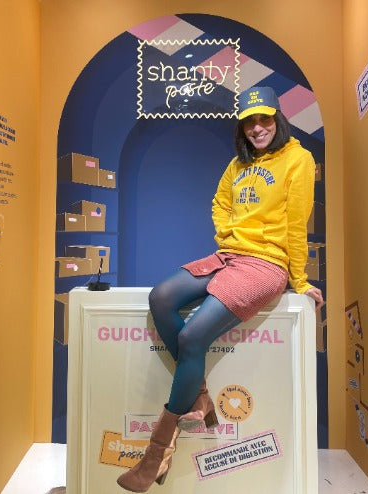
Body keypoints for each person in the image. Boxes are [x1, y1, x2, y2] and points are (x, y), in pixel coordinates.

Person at [117, 86, 324, 492]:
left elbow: (297, 223)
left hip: (266, 265)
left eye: (264, 119)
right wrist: (228, 232)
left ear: (278, 119)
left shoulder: (298, 160)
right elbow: (219, 202)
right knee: (161, 297)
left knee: (192, 336)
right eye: (249, 122)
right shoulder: (237, 164)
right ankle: (200, 397)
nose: (257, 128)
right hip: (228, 255)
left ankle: (157, 452)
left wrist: (299, 280)